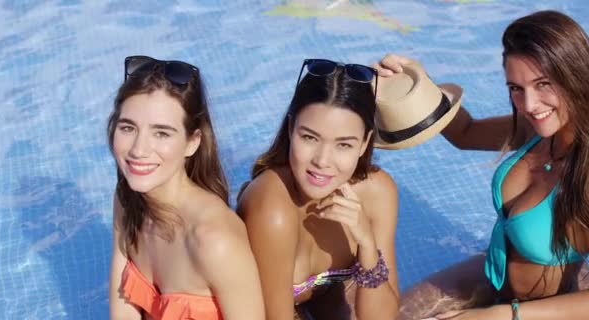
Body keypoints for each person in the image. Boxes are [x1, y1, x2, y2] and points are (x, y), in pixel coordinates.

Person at [375, 10, 589, 320]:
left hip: (539, 310)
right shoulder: (539, 129)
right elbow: (465, 132)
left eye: (544, 84)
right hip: (494, 275)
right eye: (516, 88)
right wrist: (417, 81)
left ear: (575, 75)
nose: (529, 105)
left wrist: (503, 315)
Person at [237, 58, 400, 320]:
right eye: (310, 138)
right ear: (291, 129)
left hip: (328, 301)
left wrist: (367, 244)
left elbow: (383, 317)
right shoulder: (272, 207)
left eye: (343, 144)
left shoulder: (378, 192)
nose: (322, 161)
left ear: (364, 143)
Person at [107, 56, 264, 320]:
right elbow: (122, 304)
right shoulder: (127, 199)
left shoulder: (214, 241)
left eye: (162, 133)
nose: (138, 150)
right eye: (128, 128)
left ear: (193, 142)